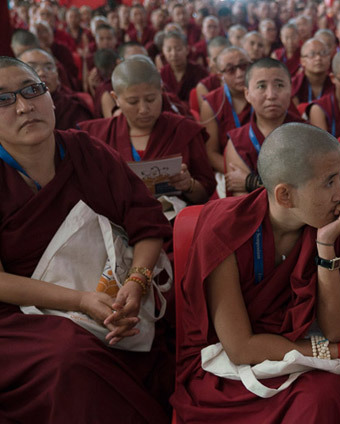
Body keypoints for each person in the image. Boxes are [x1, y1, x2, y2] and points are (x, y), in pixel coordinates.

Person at [172, 122, 340, 423]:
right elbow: (240, 348)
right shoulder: (224, 231)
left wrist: (325, 246)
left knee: (320, 400)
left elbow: (336, 328)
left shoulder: (336, 229)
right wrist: (337, 350)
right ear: (285, 195)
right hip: (230, 372)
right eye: (328, 183)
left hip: (303, 360)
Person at [0, 56, 172, 423]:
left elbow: (147, 223)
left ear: (51, 97)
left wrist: (137, 283)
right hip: (18, 316)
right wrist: (80, 301)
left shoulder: (85, 150)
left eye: (32, 90)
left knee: (172, 339)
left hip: (112, 291)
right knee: (68, 358)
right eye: (3, 99)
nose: (23, 106)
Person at [78, 57, 215, 205]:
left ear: (161, 91)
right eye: (133, 102)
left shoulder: (183, 130)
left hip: (174, 221)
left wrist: (189, 185)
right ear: (116, 98)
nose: (144, 110)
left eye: (151, 99)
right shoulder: (97, 135)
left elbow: (205, 195)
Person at [224, 59, 304, 196]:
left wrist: (252, 182)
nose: (271, 95)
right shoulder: (238, 141)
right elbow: (243, 200)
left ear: (291, 89)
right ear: (247, 94)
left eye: (279, 85)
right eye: (261, 86)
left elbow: (309, 190)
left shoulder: (308, 134)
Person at [201, 47, 253, 173]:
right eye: (231, 70)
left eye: (244, 66)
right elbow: (211, 153)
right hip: (230, 170)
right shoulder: (212, 103)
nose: (240, 73)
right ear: (220, 76)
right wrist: (240, 174)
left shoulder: (264, 94)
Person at [18, 48, 94, 130]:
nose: (42, 73)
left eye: (49, 68)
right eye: (32, 67)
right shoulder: (11, 107)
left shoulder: (72, 107)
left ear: (58, 77)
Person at [160, 31, 208, 103]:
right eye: (169, 50)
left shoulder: (200, 71)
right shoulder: (162, 73)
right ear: (163, 51)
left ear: (187, 50)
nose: (174, 54)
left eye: (178, 49)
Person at [291, 38, 335, 105]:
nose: (318, 58)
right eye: (312, 54)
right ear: (302, 61)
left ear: (329, 58)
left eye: (323, 53)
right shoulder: (293, 85)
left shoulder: (336, 84)